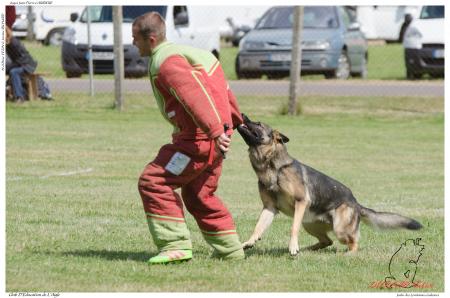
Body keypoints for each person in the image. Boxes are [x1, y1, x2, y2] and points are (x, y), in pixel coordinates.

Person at [132, 12, 245, 264]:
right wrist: (235, 124)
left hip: (197, 140)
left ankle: (175, 245)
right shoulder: (198, 54)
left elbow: (194, 95)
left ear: (150, 39)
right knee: (199, 194)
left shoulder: (167, 61)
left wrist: (215, 131)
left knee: (154, 182)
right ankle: (231, 250)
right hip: (216, 139)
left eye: (135, 39)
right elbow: (223, 91)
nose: (133, 44)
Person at [5, 26, 37, 103]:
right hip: (19, 64)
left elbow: (23, 59)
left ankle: (19, 97)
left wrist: (9, 67)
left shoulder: (14, 43)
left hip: (27, 65)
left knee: (14, 72)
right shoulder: (7, 44)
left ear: (6, 33)